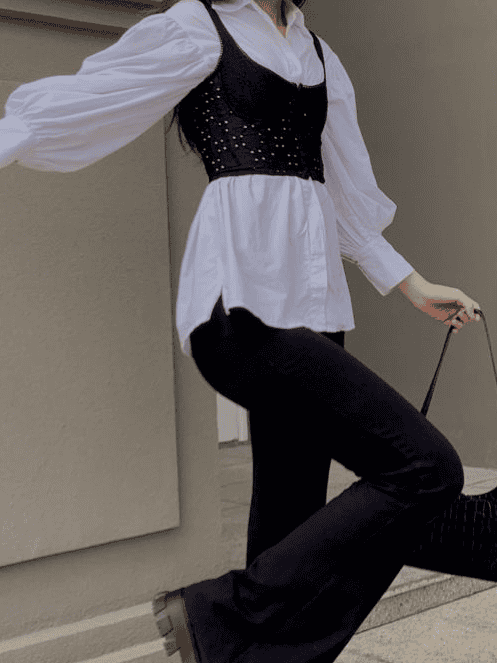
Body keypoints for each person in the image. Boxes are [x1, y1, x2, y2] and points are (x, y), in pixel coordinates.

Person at [0, 0, 482, 661]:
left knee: (290, 519)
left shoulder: (319, 54)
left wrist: (412, 283)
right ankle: (217, 611)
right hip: (237, 310)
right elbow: (83, 100)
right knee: (426, 467)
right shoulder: (199, 26)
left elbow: (345, 198)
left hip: (315, 311)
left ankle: (247, 645)